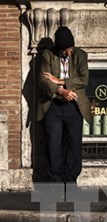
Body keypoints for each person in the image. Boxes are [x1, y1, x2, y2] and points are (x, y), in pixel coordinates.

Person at [37, 26, 90, 185]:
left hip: (74, 107)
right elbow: (43, 80)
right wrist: (62, 91)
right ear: (59, 48)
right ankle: (55, 184)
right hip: (52, 107)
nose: (70, 52)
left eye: (71, 48)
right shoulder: (48, 55)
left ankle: (71, 182)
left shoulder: (80, 55)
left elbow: (84, 80)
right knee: (53, 146)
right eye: (66, 49)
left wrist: (60, 81)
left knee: (74, 146)